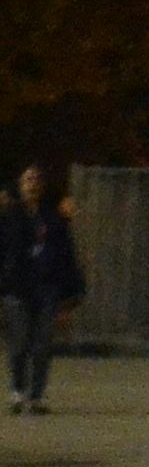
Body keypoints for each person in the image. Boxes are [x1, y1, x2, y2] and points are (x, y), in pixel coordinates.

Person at [2, 165, 87, 414]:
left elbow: (67, 255)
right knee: (18, 344)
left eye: (36, 179)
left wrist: (73, 293)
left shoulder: (53, 219)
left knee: (42, 345)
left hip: (46, 289)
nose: (32, 183)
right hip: (17, 289)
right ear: (20, 185)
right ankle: (17, 391)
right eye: (27, 179)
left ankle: (36, 396)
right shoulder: (10, 218)